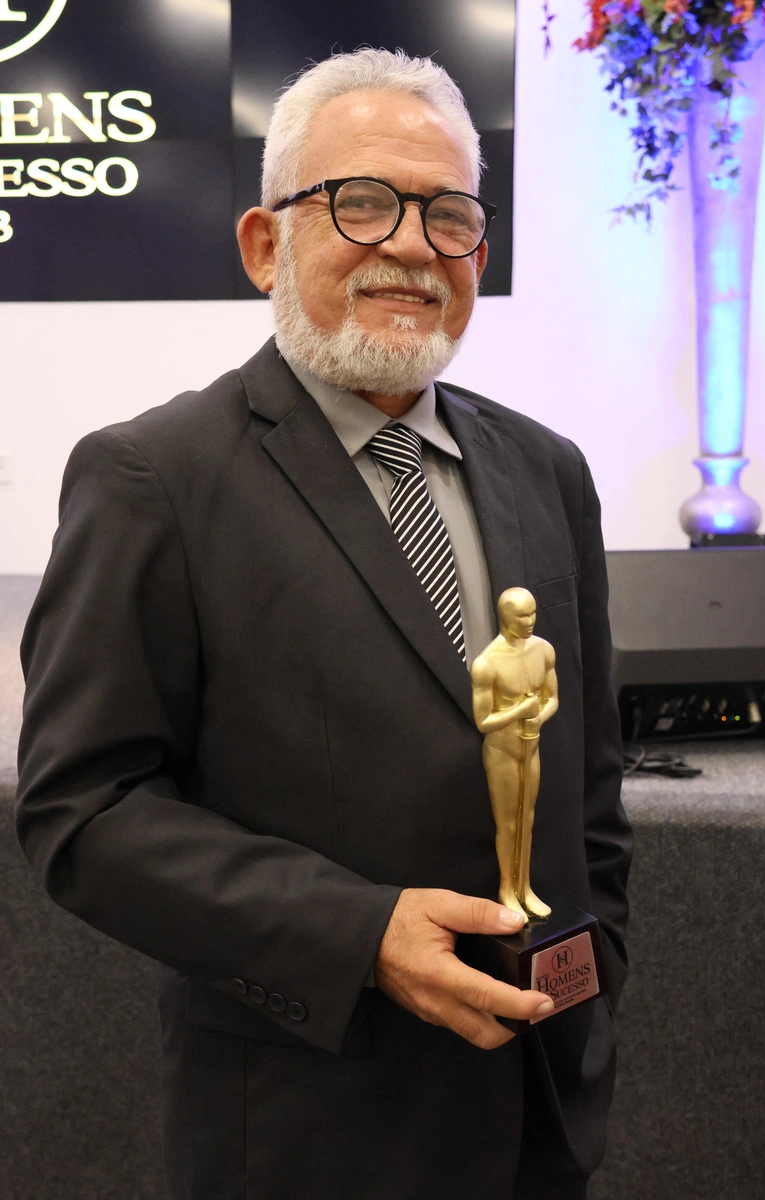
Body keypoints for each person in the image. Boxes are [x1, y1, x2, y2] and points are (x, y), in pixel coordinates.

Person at [16, 48, 633, 1200]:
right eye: (360, 203)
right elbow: (82, 811)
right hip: (310, 1127)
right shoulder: (153, 477)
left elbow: (589, 784)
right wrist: (358, 934)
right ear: (265, 244)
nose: (411, 245)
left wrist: (596, 973)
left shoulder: (547, 470)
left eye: (448, 215)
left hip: (540, 1112)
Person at [471, 588, 559, 921]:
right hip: (502, 753)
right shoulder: (487, 664)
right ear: (505, 617)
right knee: (507, 824)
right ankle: (507, 889)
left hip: (531, 747)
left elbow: (552, 699)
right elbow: (483, 721)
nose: (530, 621)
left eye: (533, 613)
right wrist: (521, 710)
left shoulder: (543, 650)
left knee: (528, 818)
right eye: (522, 616)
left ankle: (525, 887)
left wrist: (538, 716)